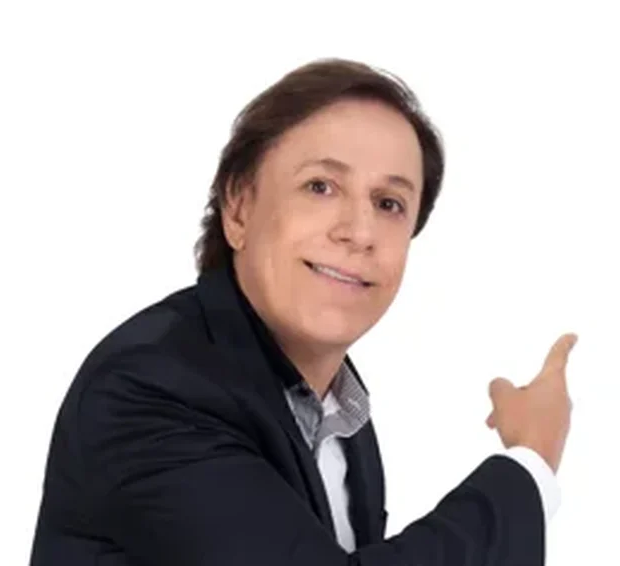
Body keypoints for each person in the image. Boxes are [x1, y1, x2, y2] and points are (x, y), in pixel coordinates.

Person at [29, 58, 578, 566]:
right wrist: (530, 463)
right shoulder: (148, 389)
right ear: (238, 209)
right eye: (320, 186)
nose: (359, 232)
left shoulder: (338, 408)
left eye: (389, 204)